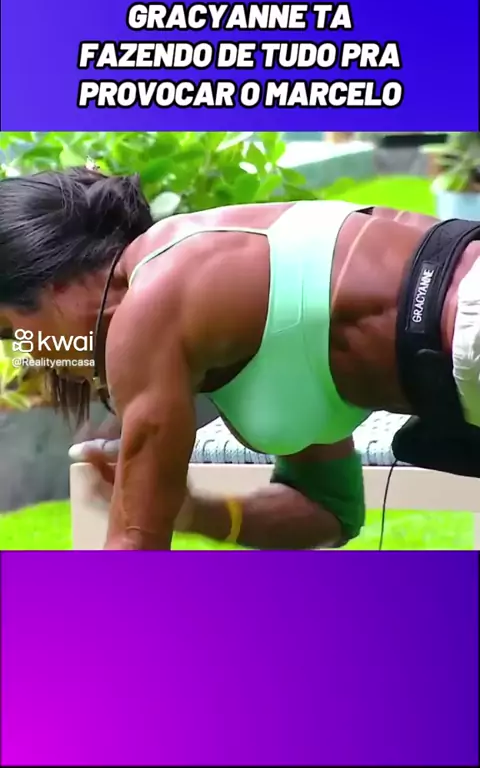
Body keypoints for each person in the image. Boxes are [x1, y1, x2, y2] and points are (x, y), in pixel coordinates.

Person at [2, 166, 480, 550]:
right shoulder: (230, 330)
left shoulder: (153, 301)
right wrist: (197, 514)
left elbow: (133, 548)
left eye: (10, 330)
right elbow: (330, 512)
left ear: (55, 285)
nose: (26, 355)